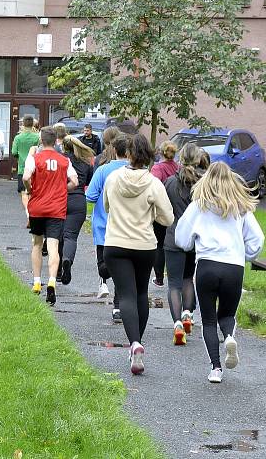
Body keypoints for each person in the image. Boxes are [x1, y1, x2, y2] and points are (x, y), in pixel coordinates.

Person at [175, 162, 265, 384]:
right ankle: (229, 337)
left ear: (206, 180)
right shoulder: (240, 207)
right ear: (232, 180)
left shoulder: (199, 205)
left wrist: (191, 244)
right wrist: (247, 254)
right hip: (234, 267)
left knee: (207, 320)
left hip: (207, 266)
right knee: (227, 315)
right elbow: (257, 240)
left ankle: (215, 368)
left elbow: (182, 239)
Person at [103, 133, 174, 375]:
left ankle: (134, 343)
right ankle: (137, 343)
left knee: (126, 295)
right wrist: (150, 215)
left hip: (116, 243)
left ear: (129, 154)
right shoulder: (154, 183)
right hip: (144, 245)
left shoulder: (113, 178)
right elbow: (168, 217)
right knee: (141, 293)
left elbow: (106, 207)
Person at [23, 126, 78, 306]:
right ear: (55, 141)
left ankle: (37, 282)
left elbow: (25, 177)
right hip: (56, 209)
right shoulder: (64, 161)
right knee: (53, 246)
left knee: (37, 244)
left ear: (41, 141)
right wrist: (63, 188)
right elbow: (75, 181)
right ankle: (53, 282)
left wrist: (31, 189)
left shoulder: (34, 158)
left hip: (37, 207)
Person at [163, 143, 207, 346]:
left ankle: (177, 324)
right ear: (198, 160)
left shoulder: (170, 182)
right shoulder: (203, 184)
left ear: (180, 160)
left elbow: (163, 209)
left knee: (174, 284)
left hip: (173, 237)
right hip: (195, 239)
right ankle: (188, 314)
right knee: (189, 278)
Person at [86, 133, 131, 320]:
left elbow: (90, 196)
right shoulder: (137, 172)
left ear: (113, 149)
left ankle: (105, 278)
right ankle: (118, 307)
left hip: (104, 226)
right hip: (128, 227)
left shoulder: (103, 171)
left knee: (103, 266)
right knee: (125, 268)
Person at [58, 135, 95, 285]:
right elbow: (88, 181)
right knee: (71, 237)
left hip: (60, 199)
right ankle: (68, 260)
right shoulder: (86, 163)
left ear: (64, 147)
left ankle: (59, 270)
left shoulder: (60, 161)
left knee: (58, 236)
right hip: (78, 200)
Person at [150, 141, 180, 287]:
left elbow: (153, 188)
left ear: (160, 152)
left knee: (159, 244)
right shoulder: (178, 167)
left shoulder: (157, 168)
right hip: (177, 208)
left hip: (161, 210)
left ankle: (159, 278)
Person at [12, 115, 40, 222]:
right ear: (33, 124)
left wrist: (19, 156)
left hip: (22, 168)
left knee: (24, 192)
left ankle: (29, 214)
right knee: (34, 192)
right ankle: (34, 213)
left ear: (23, 124)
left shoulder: (18, 138)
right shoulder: (37, 137)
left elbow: (14, 152)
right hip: (36, 168)